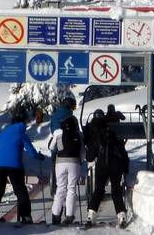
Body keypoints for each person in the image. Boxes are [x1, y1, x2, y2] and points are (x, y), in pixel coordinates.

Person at [0, 109, 45, 227]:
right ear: (22, 123)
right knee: (20, 190)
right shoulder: (21, 134)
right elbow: (31, 151)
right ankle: (25, 216)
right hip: (15, 166)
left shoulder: (2, 134)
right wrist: (39, 157)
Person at [84, 108, 129, 229]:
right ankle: (122, 216)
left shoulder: (98, 138)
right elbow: (124, 155)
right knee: (116, 191)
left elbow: (89, 157)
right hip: (116, 166)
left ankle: (91, 216)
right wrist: (126, 169)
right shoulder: (116, 139)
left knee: (98, 190)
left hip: (102, 166)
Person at [47, 97, 83, 226]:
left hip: (59, 157)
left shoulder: (55, 118)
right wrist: (81, 160)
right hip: (74, 159)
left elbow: (51, 145)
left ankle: (56, 216)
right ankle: (69, 216)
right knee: (71, 188)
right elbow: (81, 143)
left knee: (60, 188)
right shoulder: (73, 120)